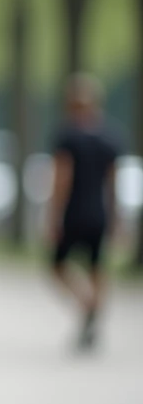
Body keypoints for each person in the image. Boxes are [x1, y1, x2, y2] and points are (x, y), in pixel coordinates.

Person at [47, 74, 122, 353]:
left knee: (57, 266)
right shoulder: (110, 137)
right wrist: (116, 217)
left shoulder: (67, 136)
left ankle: (87, 304)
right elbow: (113, 183)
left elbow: (62, 179)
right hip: (98, 212)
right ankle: (94, 311)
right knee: (96, 267)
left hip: (73, 211)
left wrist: (53, 215)